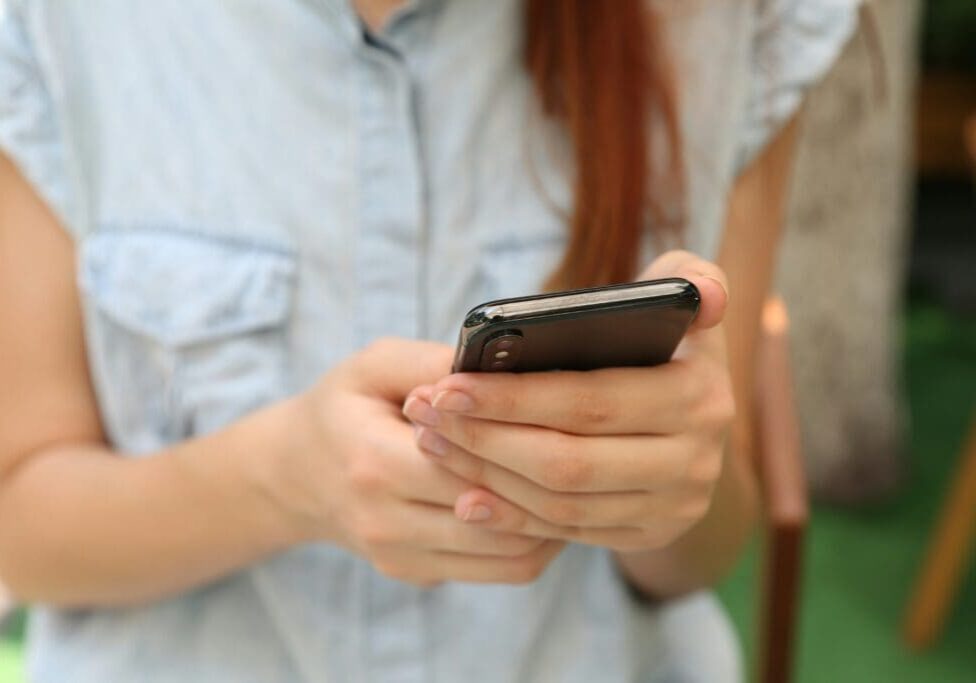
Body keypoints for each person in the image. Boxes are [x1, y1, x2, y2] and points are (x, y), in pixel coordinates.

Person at [0, 1, 858, 680]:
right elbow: (22, 525)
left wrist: (671, 481)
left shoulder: (734, 19)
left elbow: (707, 547)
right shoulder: (52, 22)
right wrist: (283, 480)